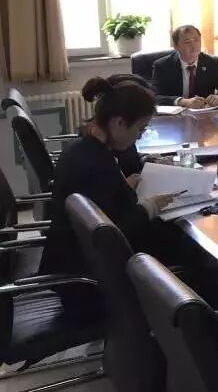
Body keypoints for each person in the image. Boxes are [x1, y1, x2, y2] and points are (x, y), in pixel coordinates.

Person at [39, 78, 182, 302]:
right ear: (119, 122)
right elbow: (115, 234)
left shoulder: (84, 148)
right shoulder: (97, 166)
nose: (139, 136)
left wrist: (123, 187)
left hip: (78, 266)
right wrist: (149, 207)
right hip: (91, 284)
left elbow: (103, 206)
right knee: (183, 242)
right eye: (140, 129)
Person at [152, 25, 218, 107]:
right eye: (187, 42)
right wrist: (183, 102)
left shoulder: (211, 63)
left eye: (196, 40)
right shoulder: (162, 66)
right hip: (175, 114)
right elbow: (154, 97)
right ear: (176, 46)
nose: (194, 45)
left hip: (204, 113)